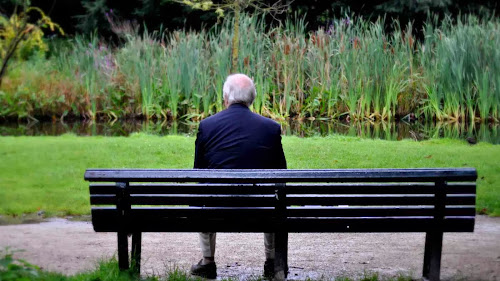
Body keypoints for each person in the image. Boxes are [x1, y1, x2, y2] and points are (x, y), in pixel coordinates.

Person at [191, 73, 287, 279]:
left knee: (202, 195)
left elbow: (198, 172)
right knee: (274, 199)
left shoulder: (207, 126)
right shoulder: (270, 128)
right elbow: (281, 174)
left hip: (216, 207)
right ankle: (272, 263)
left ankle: (208, 261)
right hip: (261, 209)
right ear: (252, 99)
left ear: (226, 97)